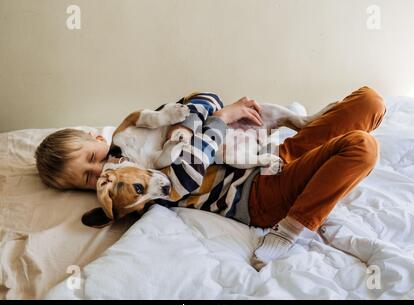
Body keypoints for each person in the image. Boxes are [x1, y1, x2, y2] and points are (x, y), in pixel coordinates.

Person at [35, 86, 386, 270]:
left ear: (100, 139)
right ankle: (293, 227)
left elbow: (204, 97)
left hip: (271, 153)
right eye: (88, 179)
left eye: (94, 160)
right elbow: (184, 179)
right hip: (258, 195)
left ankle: (321, 156)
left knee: (370, 101)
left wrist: (190, 121)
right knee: (362, 148)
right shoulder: (132, 191)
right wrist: (219, 118)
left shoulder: (134, 137)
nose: (102, 172)